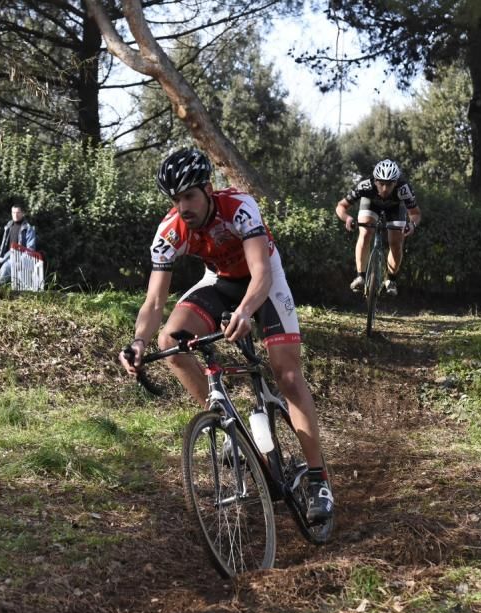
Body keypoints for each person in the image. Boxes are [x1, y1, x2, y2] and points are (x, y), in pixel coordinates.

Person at [117, 148, 334, 524]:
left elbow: (261, 272)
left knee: (287, 374)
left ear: (207, 188)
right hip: (220, 283)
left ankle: (318, 480)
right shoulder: (171, 231)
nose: (182, 206)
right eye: (175, 199)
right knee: (169, 341)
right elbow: (154, 301)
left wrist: (246, 312)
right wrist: (138, 341)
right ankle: (228, 424)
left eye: (188, 196)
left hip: (263, 282)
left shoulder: (238, 206)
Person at [334, 159, 422, 296]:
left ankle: (391, 280)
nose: (385, 189)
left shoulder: (404, 189)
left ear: (396, 182)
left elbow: (415, 213)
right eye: (381, 184)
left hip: (395, 207)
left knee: (396, 243)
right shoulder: (365, 185)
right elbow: (341, 206)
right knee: (365, 233)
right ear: (375, 181)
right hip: (371, 204)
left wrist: (412, 224)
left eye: (390, 184)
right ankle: (361, 276)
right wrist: (348, 218)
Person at [0, 201, 37, 285]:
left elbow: (30, 249)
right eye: (13, 212)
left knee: (4, 274)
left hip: (19, 258)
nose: (15, 215)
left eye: (18, 212)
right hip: (7, 256)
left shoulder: (28, 228)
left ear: (23, 213)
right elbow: (3, 245)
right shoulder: (8, 225)